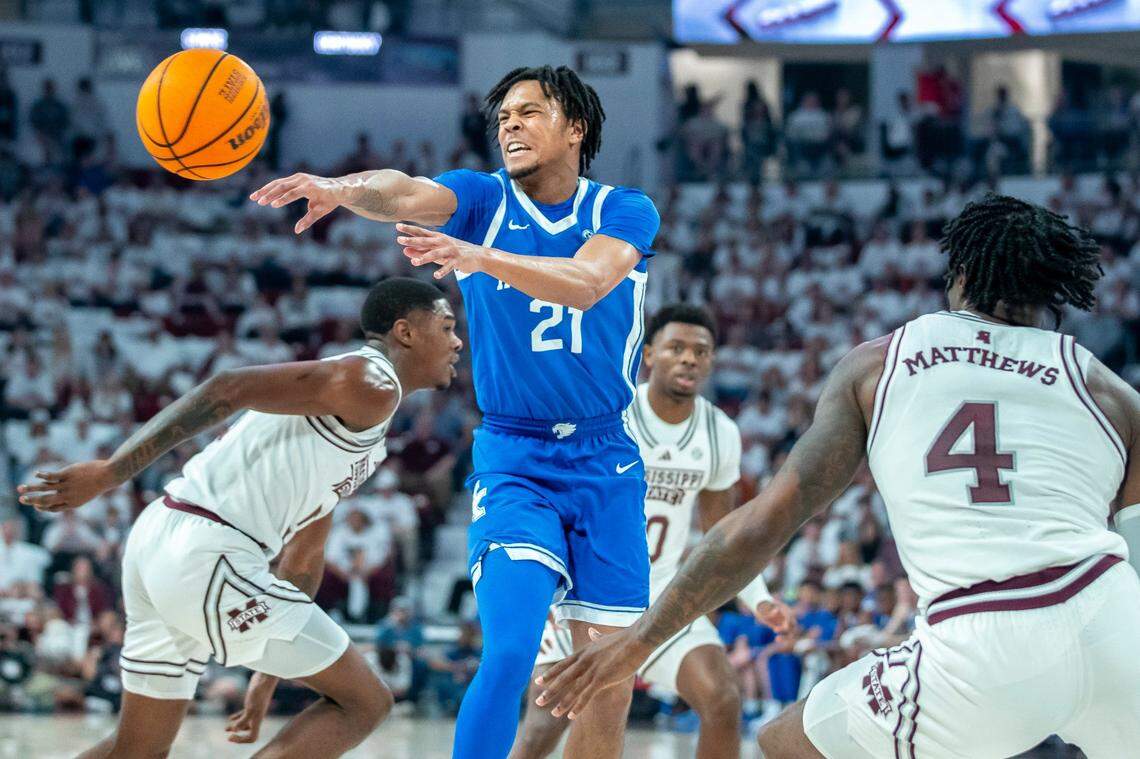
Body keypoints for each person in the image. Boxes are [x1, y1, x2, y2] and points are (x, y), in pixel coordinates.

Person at [534, 194, 1140, 758]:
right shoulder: (1112, 392)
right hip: (1117, 623)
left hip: (985, 642)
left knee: (784, 741)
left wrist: (638, 642)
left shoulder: (882, 364)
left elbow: (759, 527)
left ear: (958, 275)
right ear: (1056, 293)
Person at [251, 64, 660, 759]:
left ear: (576, 129)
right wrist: (341, 190)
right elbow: (401, 191)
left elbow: (588, 283)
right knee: (508, 650)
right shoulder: (480, 198)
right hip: (516, 456)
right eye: (503, 118)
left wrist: (478, 255)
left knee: (607, 679)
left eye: (529, 113)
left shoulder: (623, 209)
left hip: (605, 457)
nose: (510, 127)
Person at [17, 278, 462, 758]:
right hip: (209, 548)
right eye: (447, 326)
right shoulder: (371, 382)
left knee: (137, 751)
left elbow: (303, 561)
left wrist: (264, 684)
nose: (458, 342)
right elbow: (227, 387)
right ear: (406, 332)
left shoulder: (366, 430)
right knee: (365, 703)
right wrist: (112, 471)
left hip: (164, 538)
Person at [511, 304, 794, 759]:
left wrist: (757, 598)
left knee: (722, 698)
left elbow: (724, 534)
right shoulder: (614, 415)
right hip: (589, 590)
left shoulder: (719, 431)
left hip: (662, 592)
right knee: (546, 724)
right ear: (648, 355)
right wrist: (550, 584)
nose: (689, 359)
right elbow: (561, 501)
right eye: (676, 348)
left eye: (701, 352)